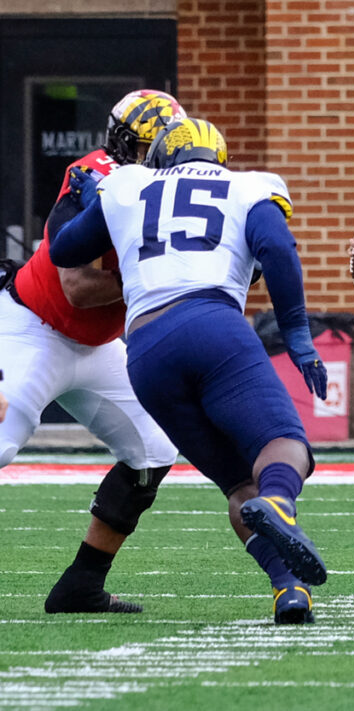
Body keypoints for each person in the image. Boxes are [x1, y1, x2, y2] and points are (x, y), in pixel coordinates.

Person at [49, 117, 330, 625]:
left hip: (147, 350)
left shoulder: (129, 183)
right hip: (212, 324)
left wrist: (98, 205)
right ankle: (283, 507)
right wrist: (299, 338)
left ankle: (289, 589)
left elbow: (64, 249)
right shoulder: (248, 186)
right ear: (217, 157)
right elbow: (279, 250)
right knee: (286, 448)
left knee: (240, 485)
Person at [0, 90, 184, 614]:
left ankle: (80, 586)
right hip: (32, 326)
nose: (151, 159)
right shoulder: (92, 175)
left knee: (152, 453)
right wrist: (160, 275)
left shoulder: (184, 190)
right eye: (142, 147)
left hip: (100, 345)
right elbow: (78, 286)